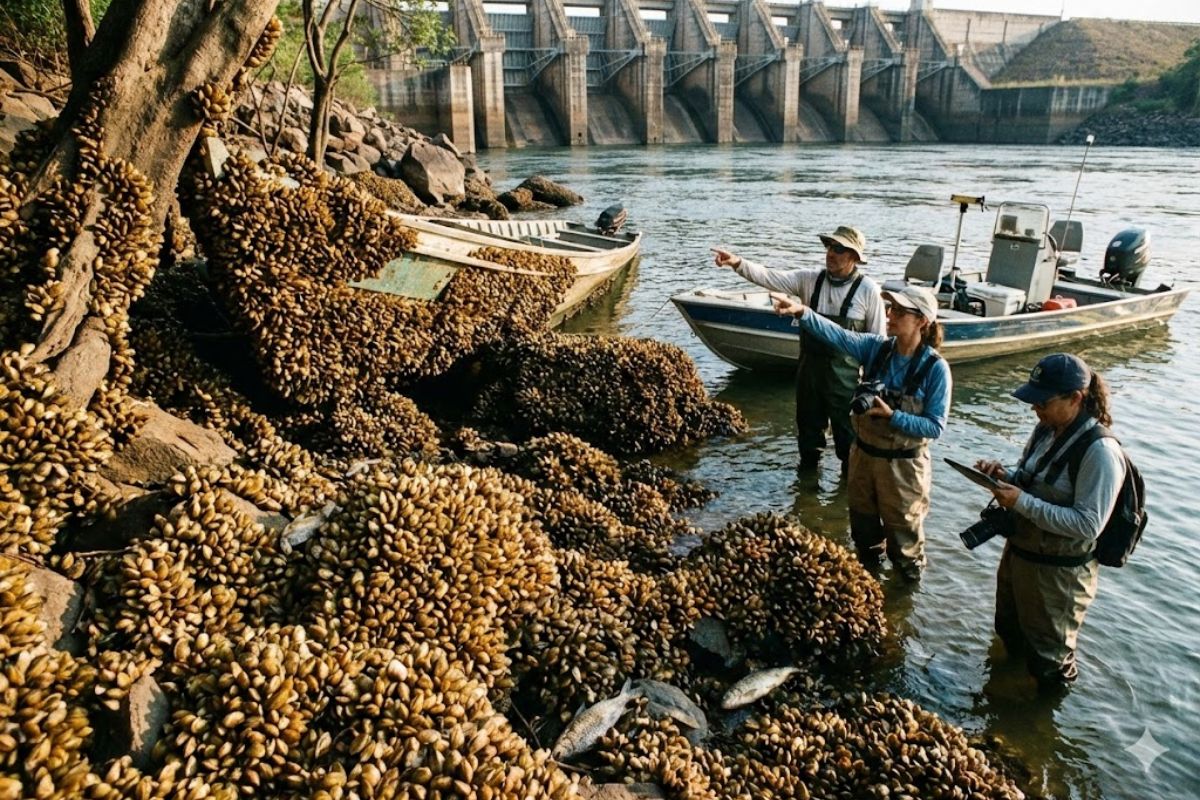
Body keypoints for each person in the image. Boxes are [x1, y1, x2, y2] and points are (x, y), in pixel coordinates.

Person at [770, 285, 951, 580]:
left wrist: (894, 416)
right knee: (864, 535)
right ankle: (869, 590)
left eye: (900, 311)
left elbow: (935, 426)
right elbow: (839, 335)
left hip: (903, 469)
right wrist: (802, 312)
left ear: (922, 321)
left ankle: (903, 600)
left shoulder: (935, 369)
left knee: (905, 547)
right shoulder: (876, 348)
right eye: (890, 309)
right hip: (863, 458)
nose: (889, 315)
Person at [974, 353, 1124, 689]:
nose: (1035, 408)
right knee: (1009, 632)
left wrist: (1021, 502)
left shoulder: (1101, 452)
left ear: (1076, 399)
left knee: (1049, 662)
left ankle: (1042, 720)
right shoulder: (1046, 428)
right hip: (1021, 555)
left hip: (1060, 575)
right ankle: (1006, 699)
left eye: (1042, 401)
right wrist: (1004, 474)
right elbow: (1034, 476)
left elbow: (1089, 525)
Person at [713, 226, 886, 472]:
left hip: (846, 383)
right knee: (807, 441)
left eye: (839, 249)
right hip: (809, 376)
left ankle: (846, 499)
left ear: (854, 257)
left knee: (850, 448)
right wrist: (737, 263)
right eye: (829, 247)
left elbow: (879, 346)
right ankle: (806, 496)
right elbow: (769, 277)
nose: (831, 253)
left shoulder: (869, 291)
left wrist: (871, 391)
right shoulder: (809, 279)